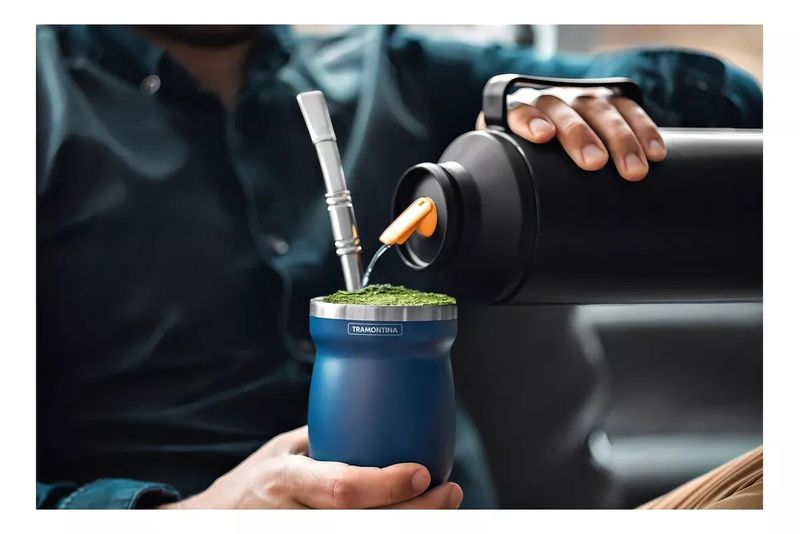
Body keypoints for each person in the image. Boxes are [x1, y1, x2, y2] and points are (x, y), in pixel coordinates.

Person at [36, 25, 762, 509]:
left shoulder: (399, 72)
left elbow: (738, 103)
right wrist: (190, 514)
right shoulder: (36, 108)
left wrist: (560, 105)